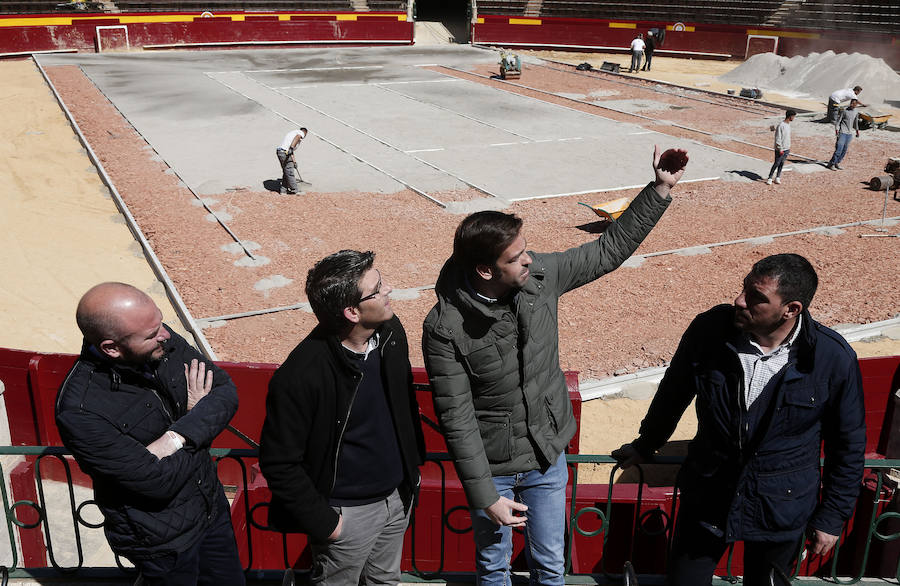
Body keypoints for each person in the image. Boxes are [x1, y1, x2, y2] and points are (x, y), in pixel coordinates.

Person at [422, 145, 689, 585]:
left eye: (525, 250)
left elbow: (608, 250)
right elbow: (456, 417)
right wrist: (485, 495)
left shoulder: (538, 278)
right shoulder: (445, 327)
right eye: (516, 257)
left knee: (551, 567)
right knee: (492, 568)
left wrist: (659, 188)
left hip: (547, 457)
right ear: (485, 271)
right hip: (492, 469)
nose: (529, 259)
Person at [613, 254, 865, 586]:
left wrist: (832, 517)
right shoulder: (709, 332)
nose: (740, 300)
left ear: (791, 309)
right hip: (708, 498)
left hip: (781, 507)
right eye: (744, 288)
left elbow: (847, 445)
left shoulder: (831, 358)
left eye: (757, 298)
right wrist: (646, 444)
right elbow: (672, 394)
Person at [55, 283, 244, 586]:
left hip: (210, 509)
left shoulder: (159, 339)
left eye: (160, 322)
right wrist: (196, 417)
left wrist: (176, 435)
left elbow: (224, 392)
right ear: (111, 348)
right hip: (160, 542)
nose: (166, 335)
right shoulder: (81, 411)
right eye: (152, 334)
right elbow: (156, 482)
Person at [260, 250, 426, 586]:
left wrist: (410, 478)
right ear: (352, 312)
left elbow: (402, 406)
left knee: (385, 582)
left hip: (397, 497)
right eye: (378, 289)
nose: (389, 290)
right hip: (346, 515)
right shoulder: (301, 375)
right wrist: (327, 525)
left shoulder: (390, 332)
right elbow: (279, 463)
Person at [826, 99, 860, 170]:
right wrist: (836, 130)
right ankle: (831, 164)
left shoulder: (856, 112)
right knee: (839, 149)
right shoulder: (844, 111)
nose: (852, 105)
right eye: (851, 103)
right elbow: (838, 121)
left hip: (849, 134)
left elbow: (856, 122)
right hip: (842, 132)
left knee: (844, 150)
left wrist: (857, 131)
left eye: (854, 104)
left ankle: (837, 163)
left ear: (856, 105)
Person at [766, 109, 796, 185]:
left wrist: (788, 147)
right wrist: (780, 149)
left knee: (782, 163)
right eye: (793, 116)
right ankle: (770, 177)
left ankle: (778, 177)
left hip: (786, 148)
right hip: (780, 149)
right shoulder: (781, 125)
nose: (794, 118)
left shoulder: (788, 125)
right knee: (776, 163)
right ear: (790, 116)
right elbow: (778, 138)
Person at [276, 127, 308, 195]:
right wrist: (291, 147)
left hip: (281, 152)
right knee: (290, 172)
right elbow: (297, 137)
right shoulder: (300, 133)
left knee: (286, 171)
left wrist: (294, 162)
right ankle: (295, 190)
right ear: (305, 132)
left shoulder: (293, 134)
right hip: (284, 153)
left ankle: (283, 190)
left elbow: (291, 152)